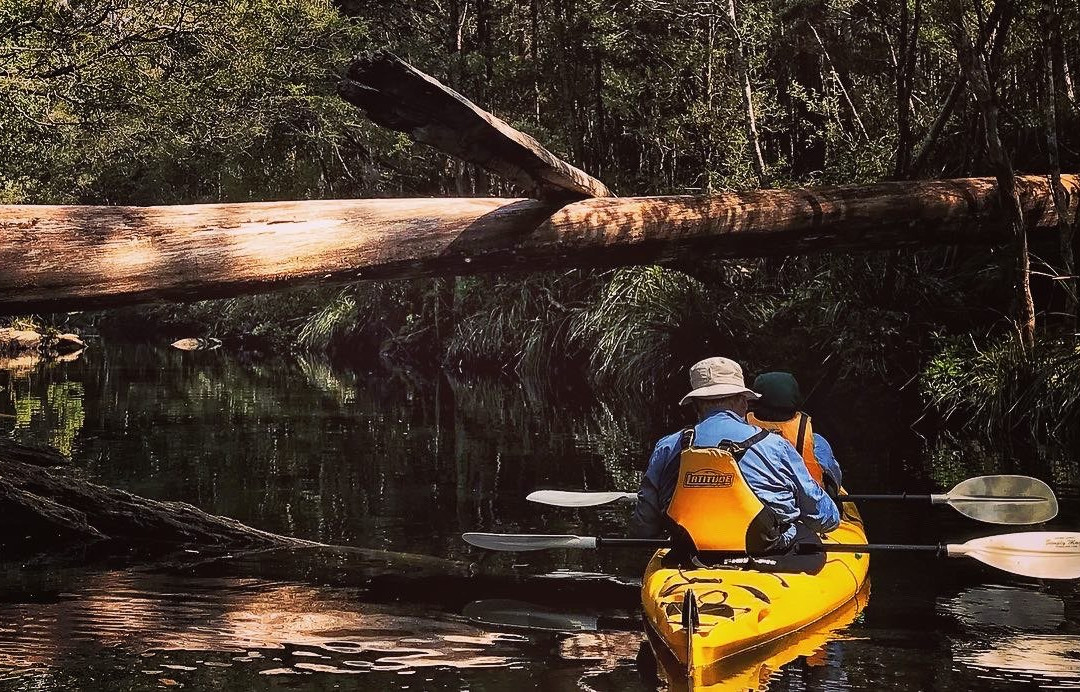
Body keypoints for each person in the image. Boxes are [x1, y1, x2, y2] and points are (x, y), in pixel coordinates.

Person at [630, 357, 839, 568]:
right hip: (767, 547)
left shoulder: (668, 446)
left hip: (692, 548)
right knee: (807, 537)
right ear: (742, 401)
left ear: (695, 405)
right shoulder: (775, 445)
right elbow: (821, 518)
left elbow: (646, 526)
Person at [746, 371, 842, 500]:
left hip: (753, 506)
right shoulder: (816, 442)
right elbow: (834, 480)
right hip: (805, 508)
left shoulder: (740, 431)